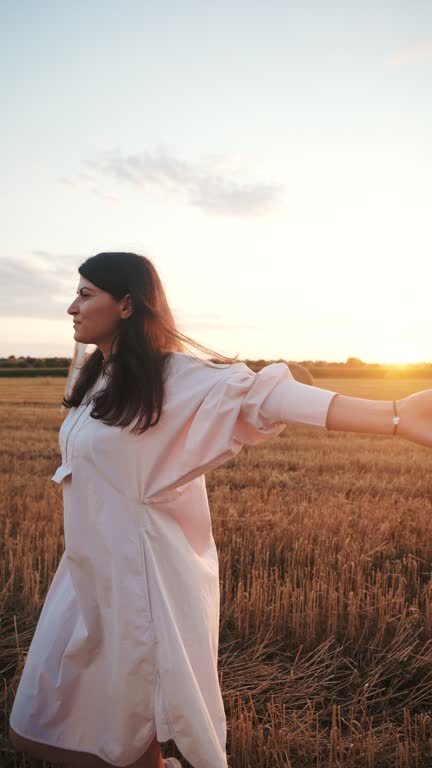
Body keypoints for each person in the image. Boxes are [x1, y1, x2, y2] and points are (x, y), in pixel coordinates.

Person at [8, 251, 432, 768]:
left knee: (114, 735)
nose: (71, 307)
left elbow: (265, 397)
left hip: (140, 583)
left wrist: (392, 416)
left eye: (84, 293)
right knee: (47, 725)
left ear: (125, 304)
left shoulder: (175, 377)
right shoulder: (101, 377)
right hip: (85, 575)